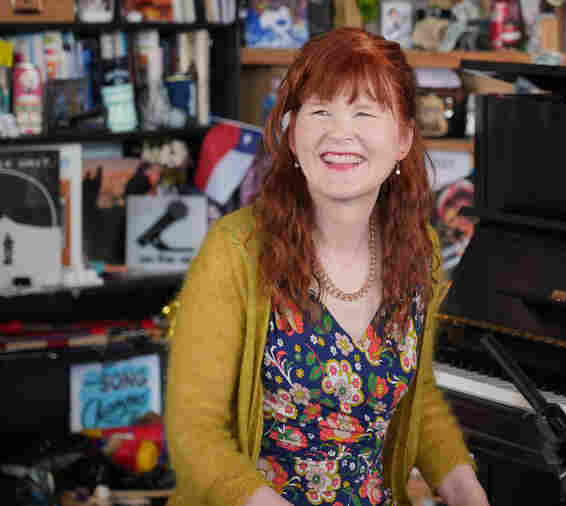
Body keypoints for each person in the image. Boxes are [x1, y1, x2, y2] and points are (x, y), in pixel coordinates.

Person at [164, 28, 490, 506]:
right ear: (292, 133)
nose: (341, 132)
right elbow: (196, 434)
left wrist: (464, 487)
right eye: (321, 111)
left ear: (403, 137)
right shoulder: (235, 249)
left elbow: (415, 403)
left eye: (364, 112)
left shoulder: (419, 250)